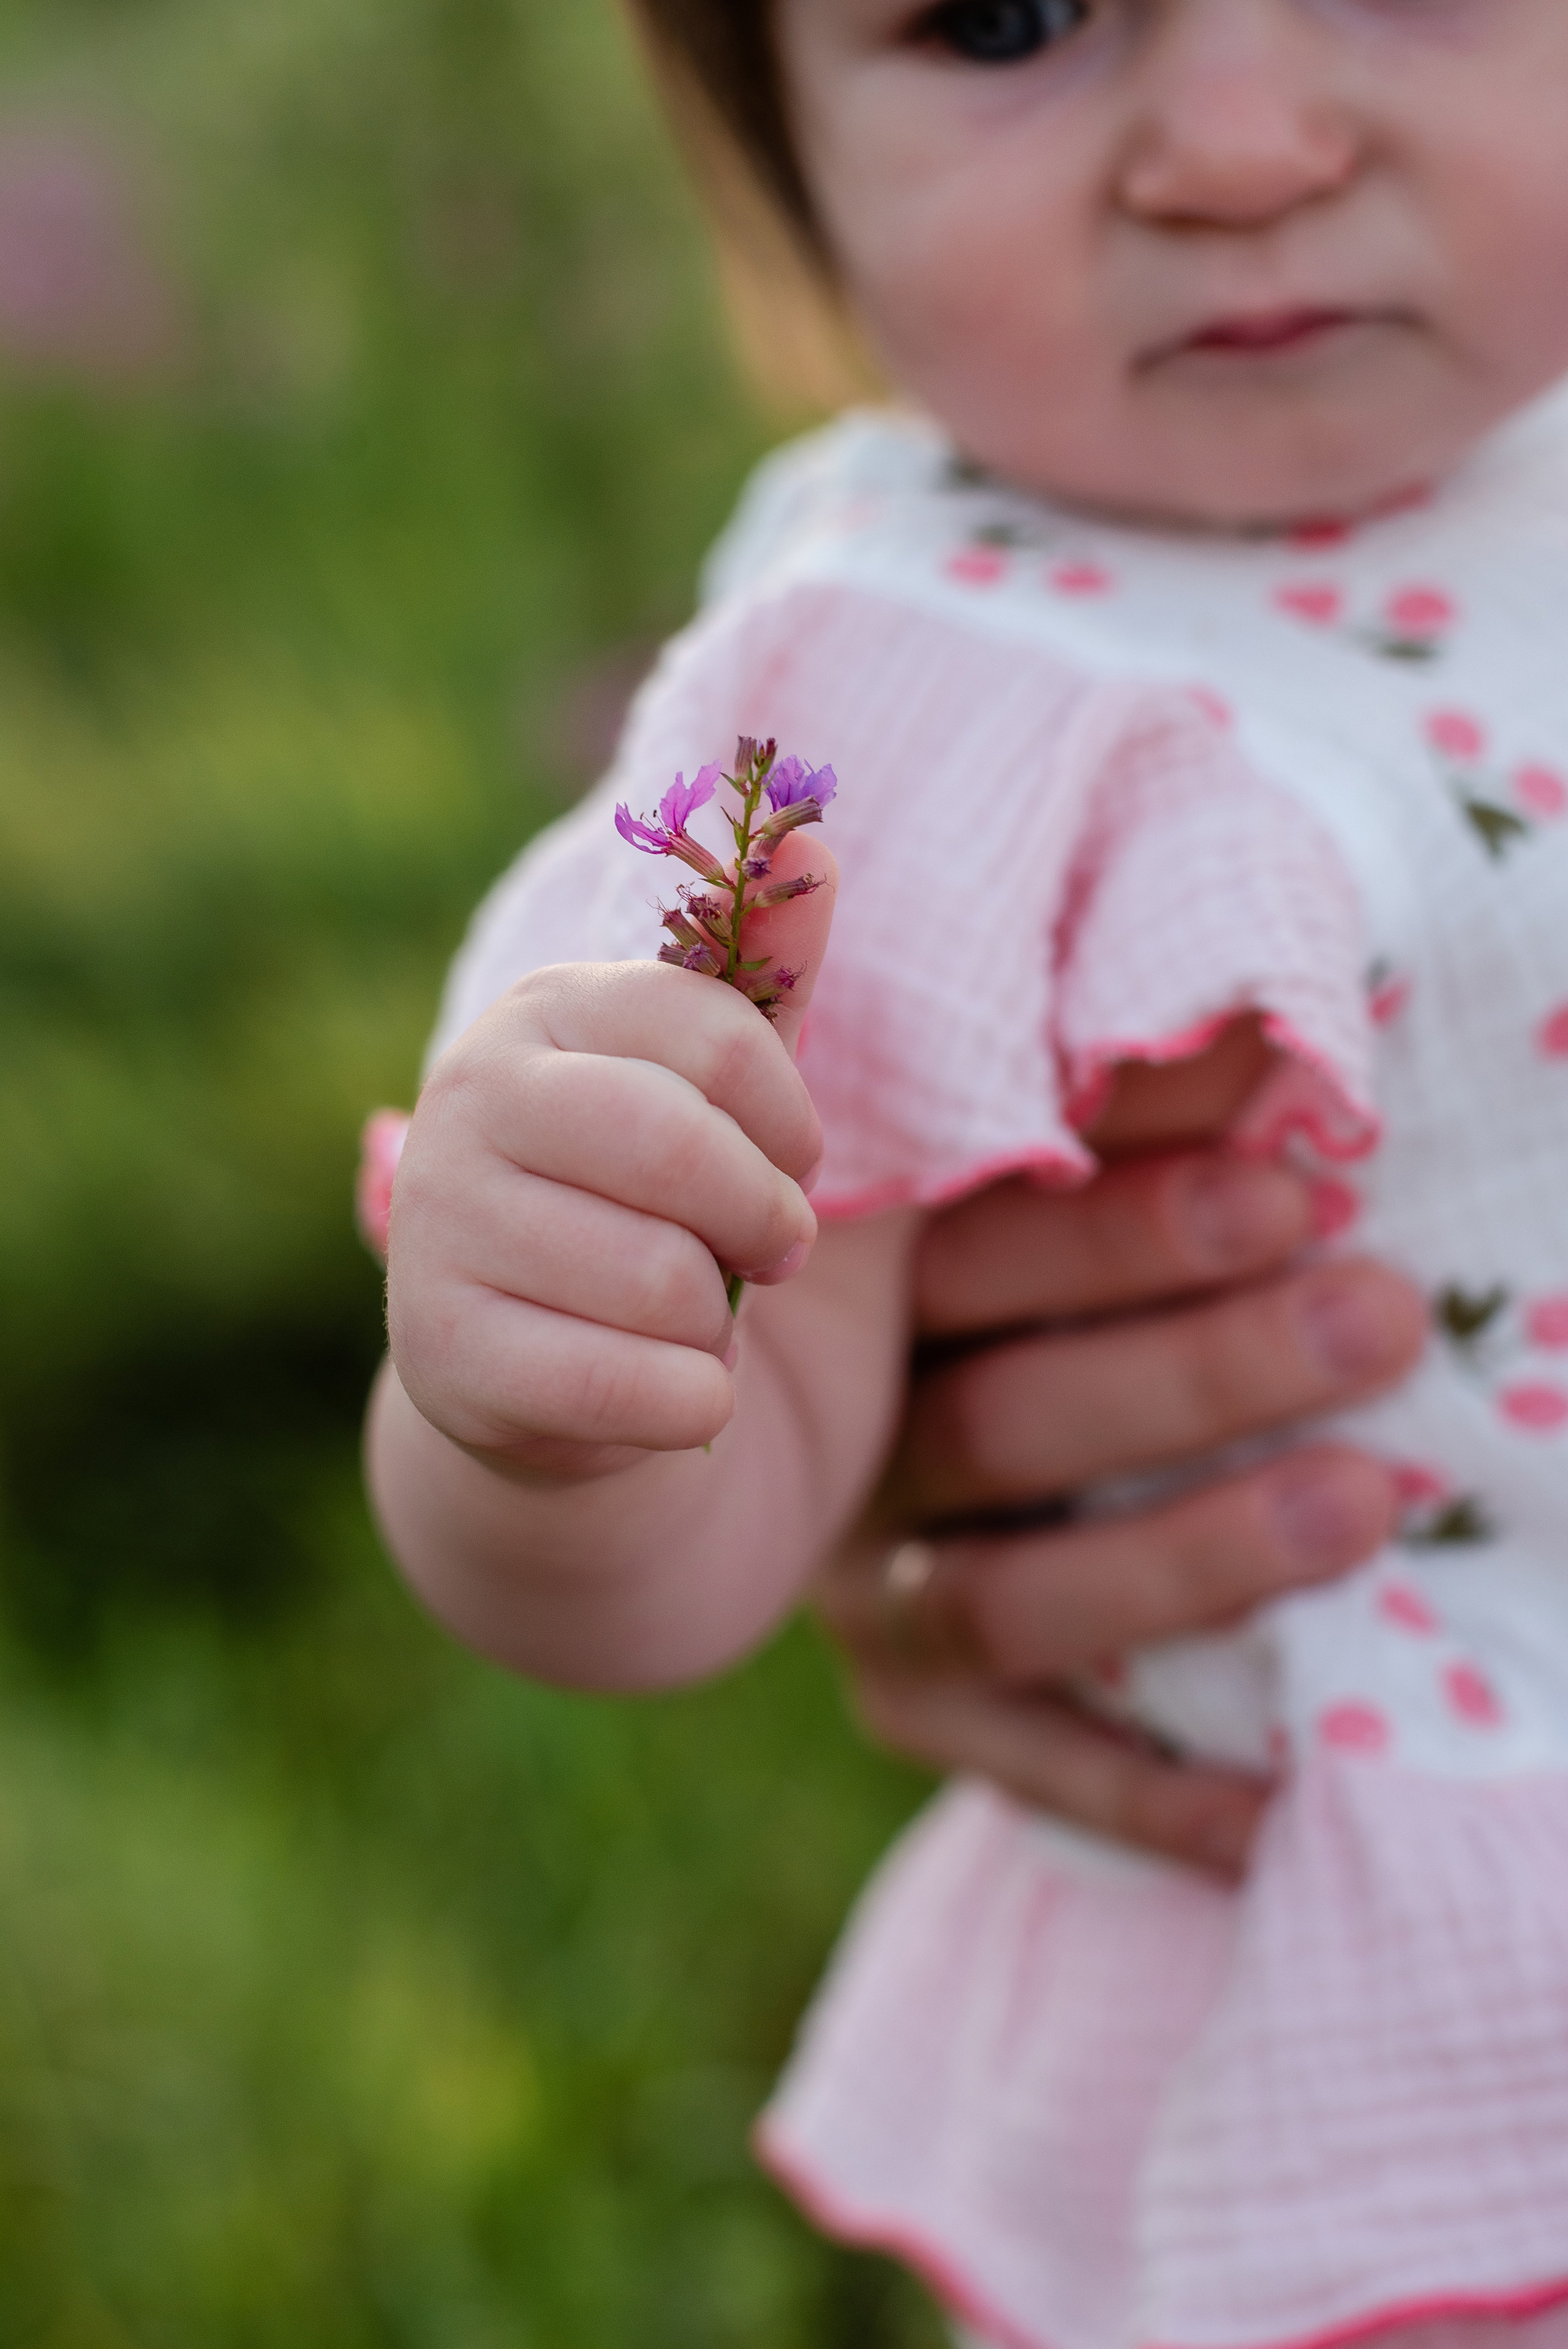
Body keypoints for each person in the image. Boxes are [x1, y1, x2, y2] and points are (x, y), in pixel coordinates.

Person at [364, 1, 1568, 2340]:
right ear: (782, 141)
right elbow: (694, 1543)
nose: (1240, 144)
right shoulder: (889, 692)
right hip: (1400, 2025)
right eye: (1008, 15)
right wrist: (549, 1379)